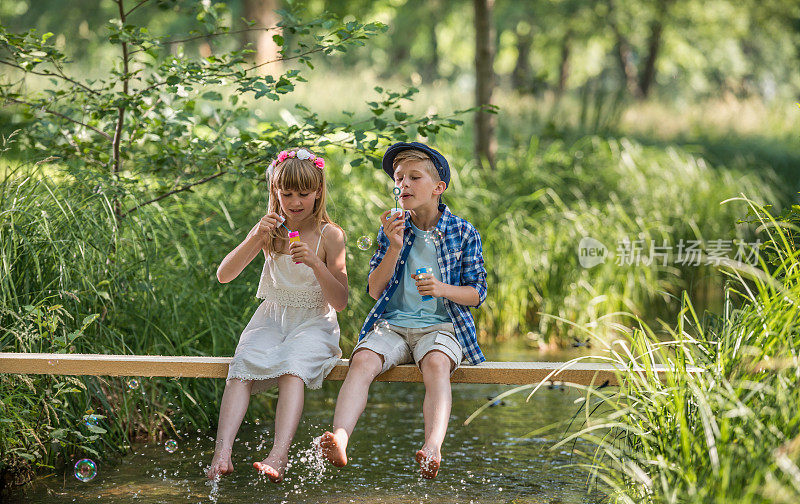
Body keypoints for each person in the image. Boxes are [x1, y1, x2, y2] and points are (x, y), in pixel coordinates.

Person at [319, 142, 487, 479]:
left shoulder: (463, 232)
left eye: (414, 177)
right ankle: (339, 438)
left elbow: (477, 293)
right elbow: (374, 288)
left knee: (437, 364)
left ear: (438, 188)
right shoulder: (392, 229)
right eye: (399, 178)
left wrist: (441, 289)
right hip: (393, 325)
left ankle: (433, 447)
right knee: (363, 360)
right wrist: (394, 247)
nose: (403, 184)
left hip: (442, 326)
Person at [207, 148, 348, 483]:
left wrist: (316, 263)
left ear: (318, 192)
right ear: (275, 192)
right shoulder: (270, 230)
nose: (295, 202)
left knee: (292, 367)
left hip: (315, 323)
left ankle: (278, 455)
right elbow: (224, 275)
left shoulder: (330, 235)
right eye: (286, 194)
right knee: (240, 366)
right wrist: (257, 236)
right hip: (272, 318)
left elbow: (340, 301)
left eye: (303, 194)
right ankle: (222, 453)